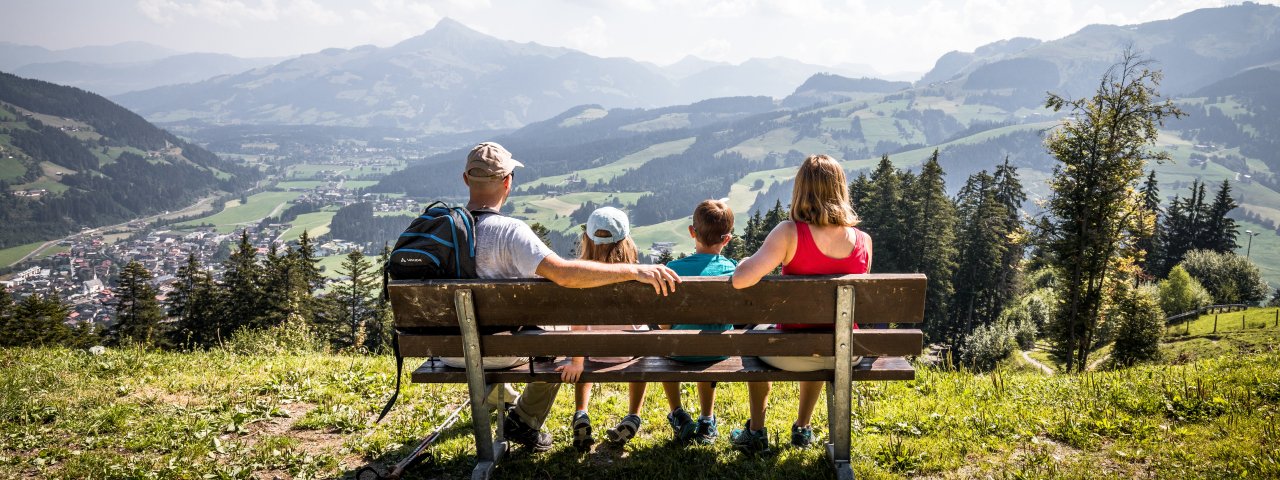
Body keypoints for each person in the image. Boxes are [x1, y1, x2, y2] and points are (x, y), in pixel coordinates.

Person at [452, 142, 681, 452]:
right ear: (508, 181)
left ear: (466, 179)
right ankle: (525, 418)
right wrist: (632, 271)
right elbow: (564, 274)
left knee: (556, 346)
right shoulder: (510, 232)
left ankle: (508, 402)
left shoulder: (442, 227)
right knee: (549, 347)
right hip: (499, 352)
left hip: (450, 352)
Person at [727, 154, 873, 453]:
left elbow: (740, 280)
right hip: (844, 354)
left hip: (791, 353)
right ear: (840, 190)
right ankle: (803, 428)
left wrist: (745, 261)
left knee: (754, 339)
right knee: (828, 335)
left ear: (801, 190)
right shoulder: (863, 241)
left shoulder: (789, 232)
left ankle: (756, 431)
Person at [554, 206, 651, 450]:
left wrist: (577, 363)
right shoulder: (637, 276)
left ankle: (581, 412)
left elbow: (577, 327)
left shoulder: (579, 278)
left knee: (582, 345)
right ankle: (633, 415)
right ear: (626, 241)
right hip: (630, 354)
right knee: (643, 344)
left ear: (586, 239)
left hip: (590, 352)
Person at [652, 199, 738, 444]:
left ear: (692, 232)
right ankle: (707, 419)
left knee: (664, 340)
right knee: (708, 340)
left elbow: (666, 325)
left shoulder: (673, 269)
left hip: (679, 351)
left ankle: (678, 412)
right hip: (719, 350)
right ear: (727, 239)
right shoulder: (732, 268)